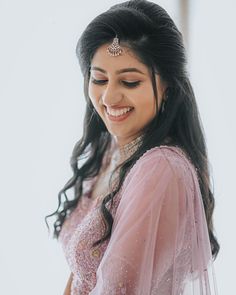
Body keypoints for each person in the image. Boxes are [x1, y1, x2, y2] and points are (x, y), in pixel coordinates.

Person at [45, 0, 219, 294]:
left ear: (168, 88)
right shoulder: (109, 155)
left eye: (129, 82)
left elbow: (120, 287)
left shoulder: (161, 168)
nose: (110, 97)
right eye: (99, 78)